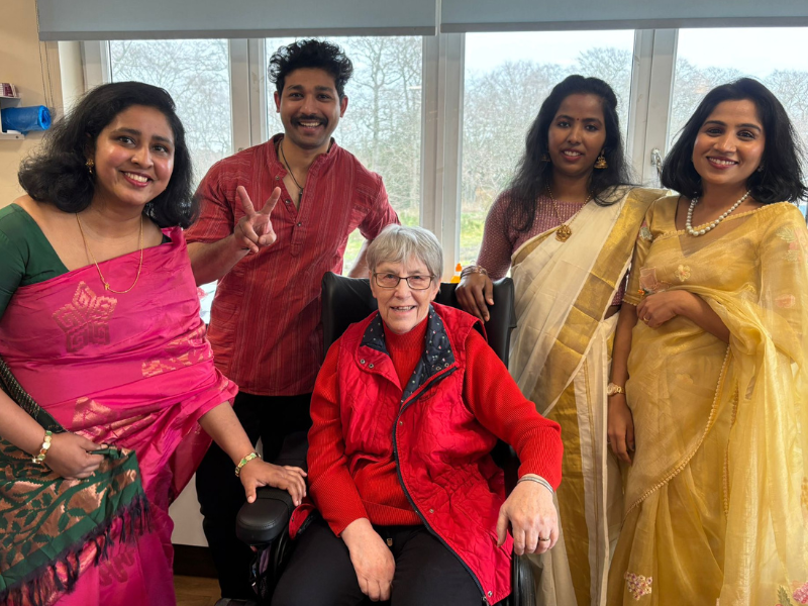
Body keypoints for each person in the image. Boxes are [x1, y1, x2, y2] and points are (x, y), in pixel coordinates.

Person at [0, 82, 306, 606]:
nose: (144, 159)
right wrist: (46, 446)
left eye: (161, 148)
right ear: (89, 144)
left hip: (134, 482)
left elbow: (192, 372)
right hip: (29, 472)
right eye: (126, 139)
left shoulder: (165, 246)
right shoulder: (21, 230)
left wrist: (245, 461)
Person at [186, 38, 399, 599]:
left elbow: (393, 242)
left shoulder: (359, 179)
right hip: (230, 369)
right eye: (297, 94)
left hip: (311, 375)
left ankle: (284, 591)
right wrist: (235, 243)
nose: (310, 106)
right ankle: (235, 592)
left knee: (302, 502)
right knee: (220, 495)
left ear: (341, 107)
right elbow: (189, 268)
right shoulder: (230, 174)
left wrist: (349, 289)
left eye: (323, 96)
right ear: (278, 101)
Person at [270, 224, 563, 605]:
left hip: (449, 515)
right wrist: (359, 535)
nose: (402, 292)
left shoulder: (464, 346)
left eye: (417, 278)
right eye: (389, 276)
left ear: (435, 283)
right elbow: (325, 456)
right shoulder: (345, 351)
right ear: (371, 283)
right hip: (359, 510)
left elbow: (534, 429)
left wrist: (536, 484)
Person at [457, 75, 663, 606]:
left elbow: (637, 306)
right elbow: (487, 270)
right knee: (535, 480)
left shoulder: (634, 210)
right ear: (545, 131)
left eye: (590, 126)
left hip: (603, 373)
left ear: (606, 140)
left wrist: (618, 396)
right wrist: (472, 276)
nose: (574, 135)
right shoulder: (515, 205)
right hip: (530, 371)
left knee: (599, 496)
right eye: (564, 122)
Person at [606, 78, 808, 605]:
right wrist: (615, 398)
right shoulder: (660, 213)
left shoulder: (777, 223)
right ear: (693, 136)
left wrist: (691, 305)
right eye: (713, 129)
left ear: (767, 151)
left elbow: (789, 334)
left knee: (709, 552)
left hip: (725, 427)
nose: (726, 145)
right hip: (649, 415)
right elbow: (628, 311)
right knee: (647, 545)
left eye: (747, 133)